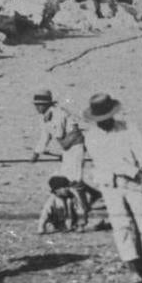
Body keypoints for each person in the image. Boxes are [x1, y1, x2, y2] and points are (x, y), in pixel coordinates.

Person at [82, 92, 142, 283]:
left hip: (133, 185)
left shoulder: (128, 128)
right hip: (110, 185)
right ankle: (133, 269)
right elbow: (111, 162)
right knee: (122, 226)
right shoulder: (92, 137)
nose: (104, 122)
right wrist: (139, 173)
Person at [30, 90, 90, 228]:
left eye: (40, 105)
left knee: (74, 181)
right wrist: (36, 153)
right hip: (67, 149)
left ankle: (83, 213)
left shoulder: (58, 114)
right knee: (65, 181)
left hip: (75, 147)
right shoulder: (45, 117)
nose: (37, 108)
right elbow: (45, 136)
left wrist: (45, 151)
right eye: (36, 105)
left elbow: (60, 134)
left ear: (47, 104)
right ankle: (74, 211)